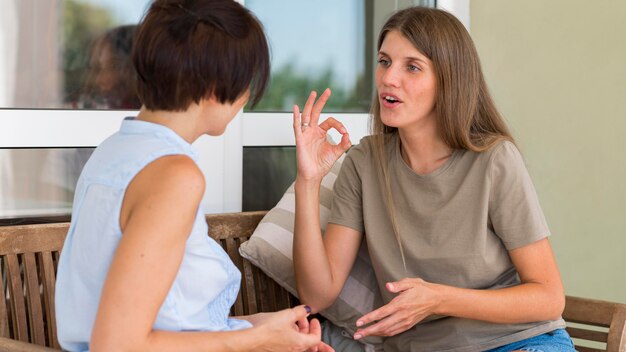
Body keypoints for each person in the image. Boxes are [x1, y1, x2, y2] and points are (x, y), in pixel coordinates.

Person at [292, 6, 575, 352]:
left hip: (517, 343)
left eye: (412, 67)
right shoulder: (364, 163)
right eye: (384, 62)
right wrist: (308, 181)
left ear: (449, 80)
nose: (388, 78)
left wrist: (438, 299)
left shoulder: (493, 160)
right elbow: (317, 295)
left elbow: (548, 297)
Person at [55, 1, 332, 351]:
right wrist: (256, 339)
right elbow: (118, 345)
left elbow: (168, 322)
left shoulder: (114, 152)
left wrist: (265, 329)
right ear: (217, 90)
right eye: (246, 84)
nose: (246, 97)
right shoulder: (174, 175)